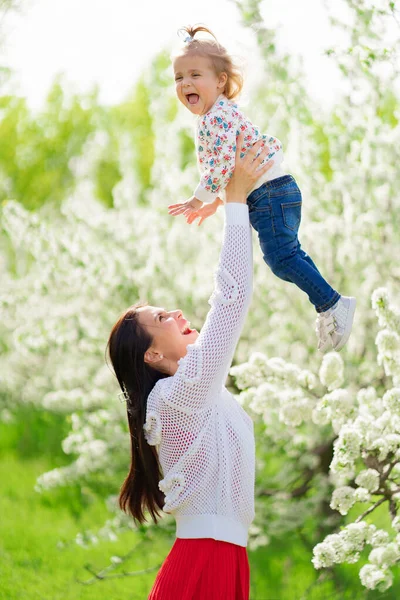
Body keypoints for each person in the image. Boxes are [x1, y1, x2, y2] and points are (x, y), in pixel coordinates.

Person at [107, 135, 273, 600]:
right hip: (205, 560)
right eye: (162, 318)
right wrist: (235, 202)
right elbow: (232, 298)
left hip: (228, 561)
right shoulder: (175, 398)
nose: (178, 314)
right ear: (153, 357)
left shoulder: (206, 395)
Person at [168, 25, 356, 354]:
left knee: (282, 258)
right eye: (178, 78)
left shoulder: (216, 116)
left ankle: (331, 304)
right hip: (276, 191)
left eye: (195, 75)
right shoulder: (216, 114)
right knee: (288, 255)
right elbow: (229, 165)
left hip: (268, 195)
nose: (185, 84)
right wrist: (218, 201)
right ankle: (329, 304)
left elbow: (226, 162)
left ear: (220, 81)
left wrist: (202, 197)